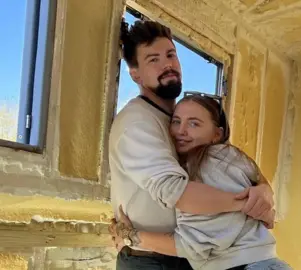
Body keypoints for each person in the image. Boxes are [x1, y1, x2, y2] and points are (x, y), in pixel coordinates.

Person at [108, 20, 275, 270]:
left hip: (190, 255)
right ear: (136, 75)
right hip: (151, 260)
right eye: (153, 59)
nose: (167, 64)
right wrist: (247, 205)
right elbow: (177, 192)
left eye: (171, 55)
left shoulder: (179, 120)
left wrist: (263, 190)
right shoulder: (137, 122)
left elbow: (231, 164)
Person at [111, 92, 291, 270]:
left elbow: (194, 245)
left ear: (216, 134)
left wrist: (131, 236)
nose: (181, 131)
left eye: (194, 123)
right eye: (176, 121)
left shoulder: (210, 164)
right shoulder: (222, 159)